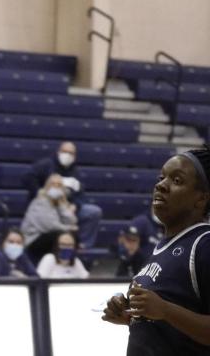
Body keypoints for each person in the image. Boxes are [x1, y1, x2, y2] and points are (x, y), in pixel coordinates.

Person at [101, 147, 210, 354]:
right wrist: (131, 317)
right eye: (162, 178)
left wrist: (165, 310)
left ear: (201, 199)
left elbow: (165, 311)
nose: (161, 185)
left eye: (176, 181)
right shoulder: (161, 248)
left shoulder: (204, 244)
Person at [24, 141, 102, 248]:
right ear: (58, 152)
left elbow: (80, 193)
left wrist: (75, 205)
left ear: (75, 156)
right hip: (47, 206)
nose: (67, 155)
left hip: (64, 206)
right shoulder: (46, 164)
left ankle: (83, 245)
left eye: (71, 153)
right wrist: (39, 192)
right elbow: (28, 176)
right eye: (64, 151)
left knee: (93, 212)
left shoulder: (75, 172)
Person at [21, 174, 79, 263]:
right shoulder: (41, 201)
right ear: (47, 186)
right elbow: (50, 226)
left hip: (46, 236)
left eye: (59, 185)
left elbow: (72, 220)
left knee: (72, 236)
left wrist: (61, 204)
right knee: (60, 235)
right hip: (33, 238)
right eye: (53, 184)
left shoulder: (58, 202)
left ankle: (67, 263)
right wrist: (69, 228)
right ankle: (60, 261)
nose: (56, 187)